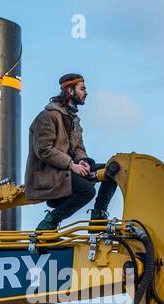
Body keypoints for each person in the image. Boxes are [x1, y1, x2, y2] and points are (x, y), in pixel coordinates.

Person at [24, 73, 116, 231]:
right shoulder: (48, 116)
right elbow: (44, 150)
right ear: (70, 91)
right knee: (87, 191)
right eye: (82, 88)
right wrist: (72, 165)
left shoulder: (74, 120)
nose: (86, 92)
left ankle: (98, 217)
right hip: (49, 172)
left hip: (66, 169)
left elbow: (78, 148)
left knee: (114, 169)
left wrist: (82, 161)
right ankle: (50, 221)